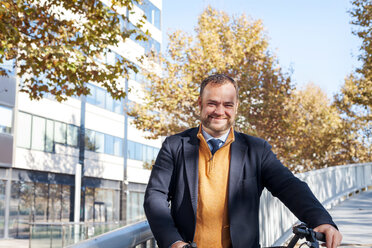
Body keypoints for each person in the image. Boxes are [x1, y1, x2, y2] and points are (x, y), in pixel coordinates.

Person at [144, 74, 342, 248]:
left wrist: (321, 220)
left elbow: (289, 186)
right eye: (212, 103)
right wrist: (173, 242)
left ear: (236, 107)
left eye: (228, 105)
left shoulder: (257, 150)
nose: (220, 111)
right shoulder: (174, 146)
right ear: (200, 104)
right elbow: (155, 196)